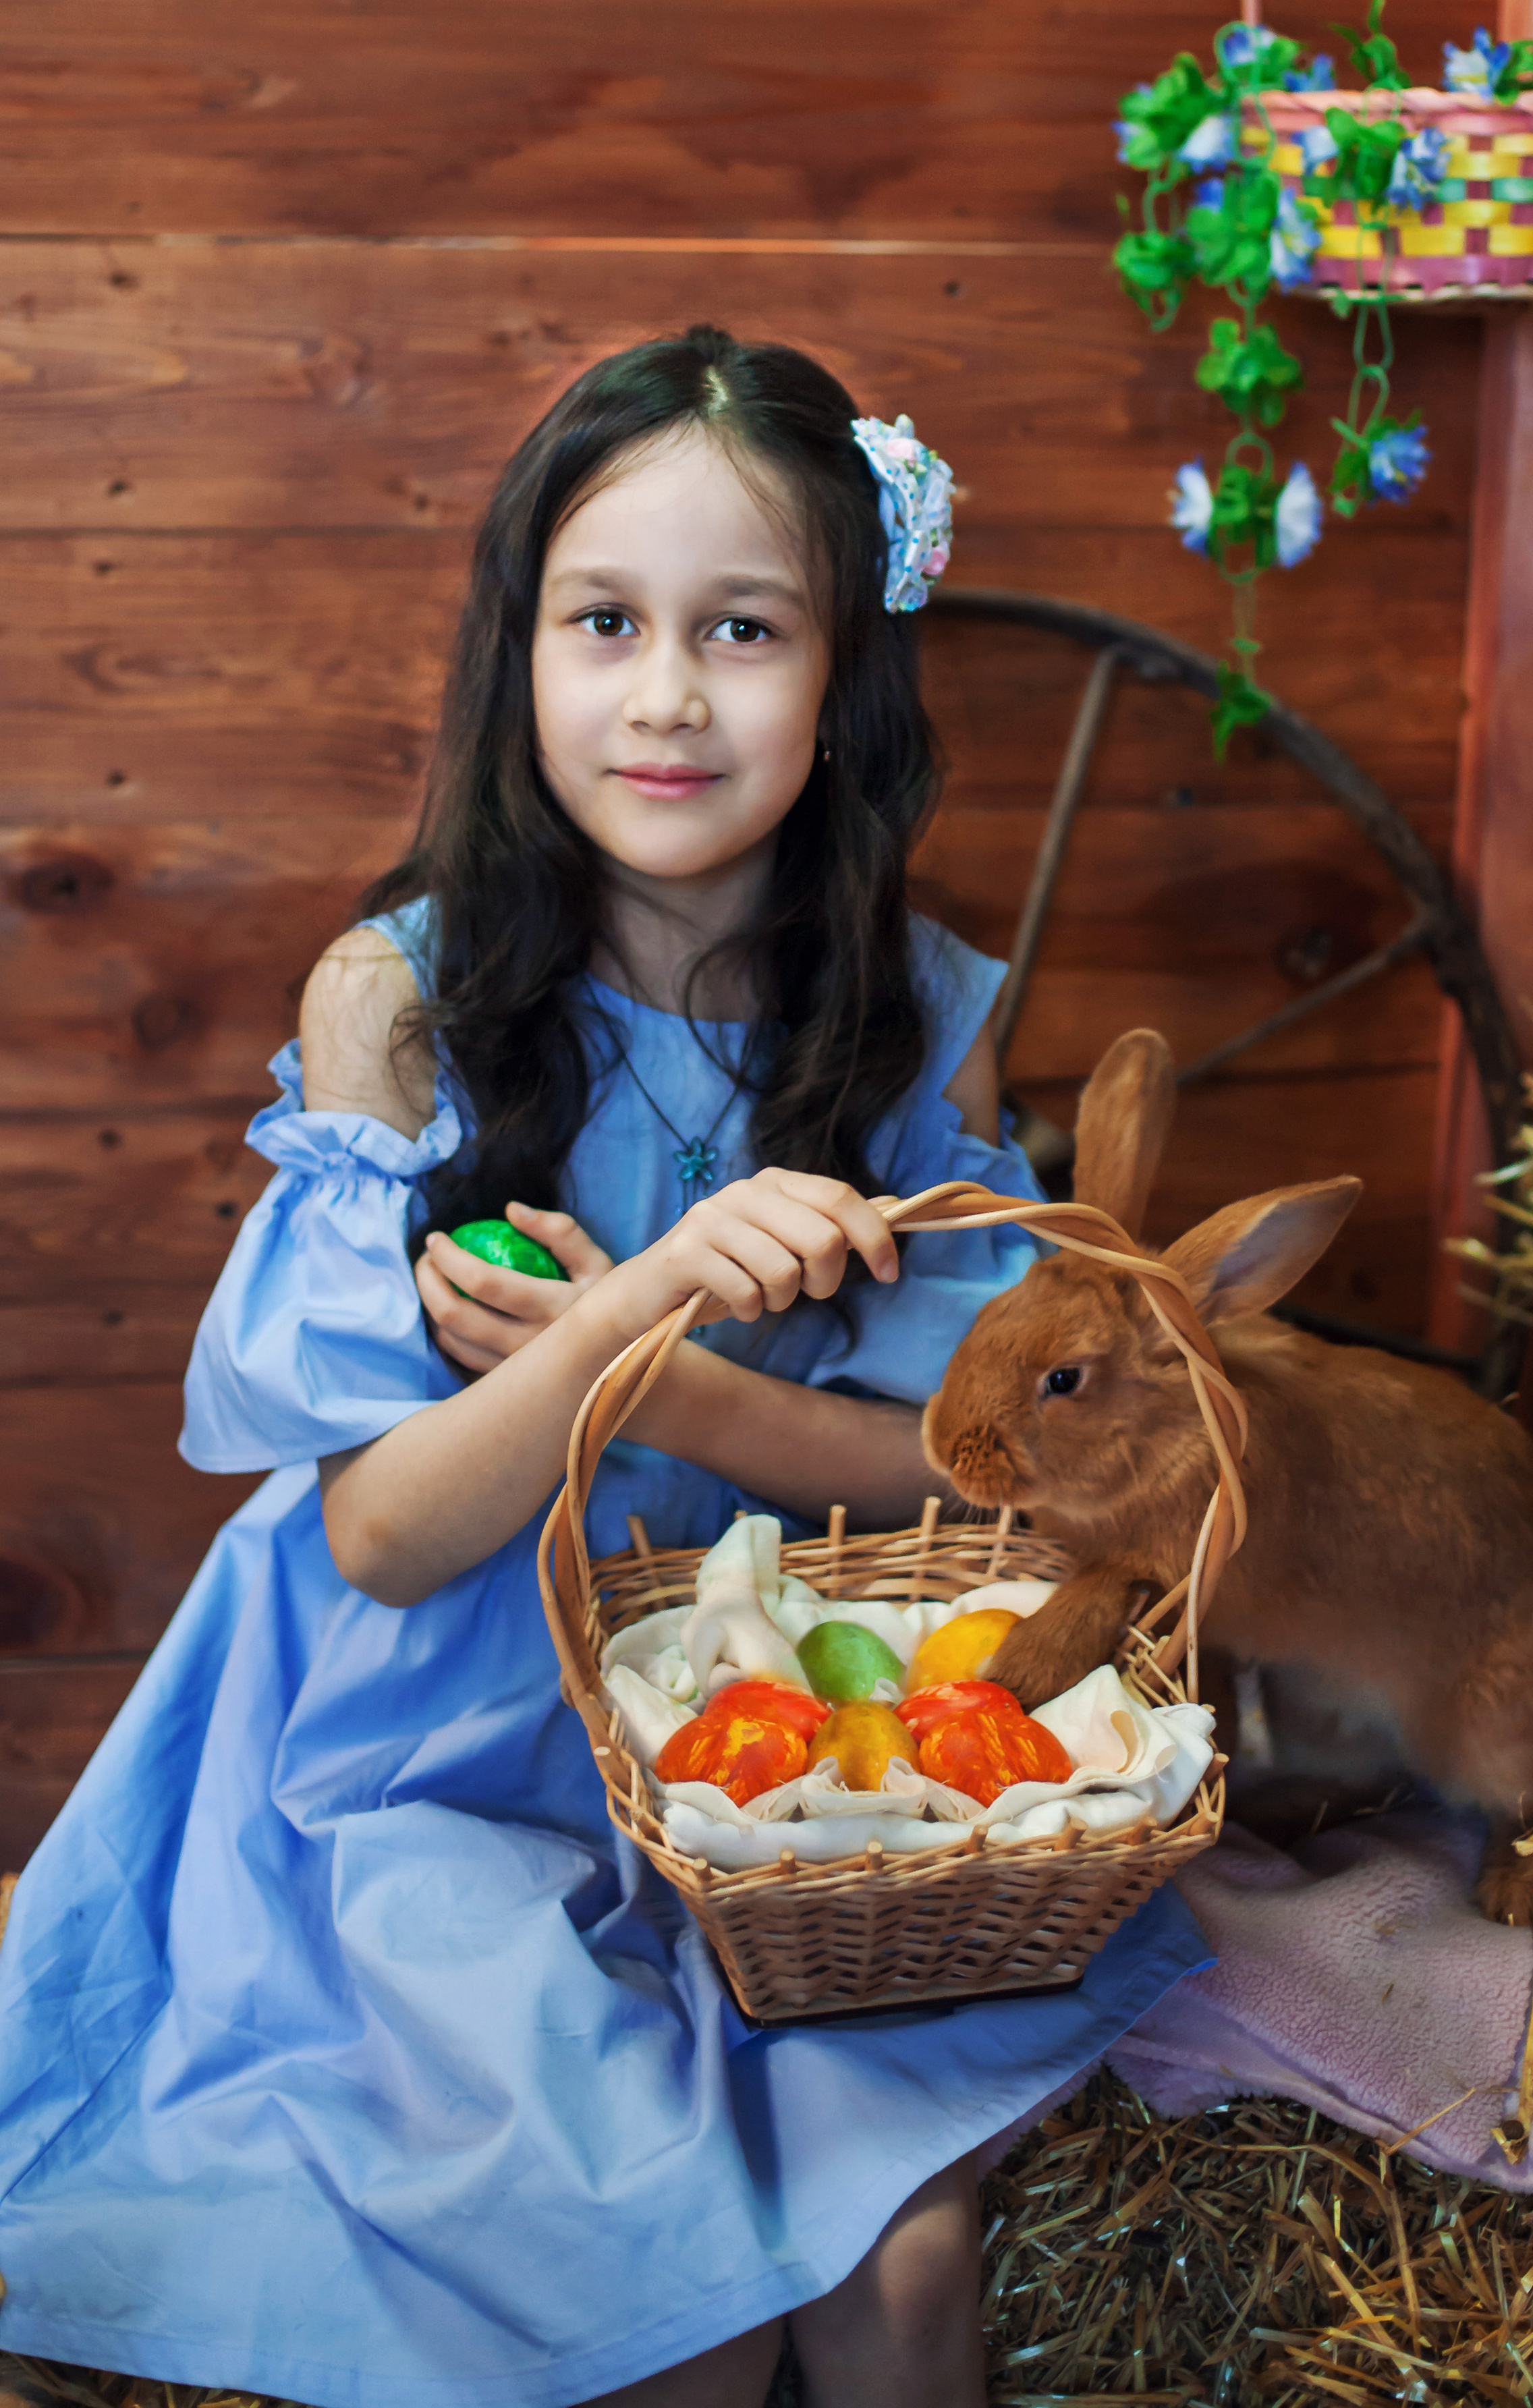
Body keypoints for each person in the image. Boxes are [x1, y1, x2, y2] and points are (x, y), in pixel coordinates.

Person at [0, 326, 1206, 2408]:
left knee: (908, 2274)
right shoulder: (410, 999)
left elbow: (978, 1490)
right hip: (420, 1758)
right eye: (604, 622)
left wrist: (667, 1376)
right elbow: (378, 1534)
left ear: (841, 683)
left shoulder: (915, 1018)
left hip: (759, 1720)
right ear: (518, 652)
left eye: (741, 628)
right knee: (677, 2311)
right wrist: (624, 1305)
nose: (665, 694)